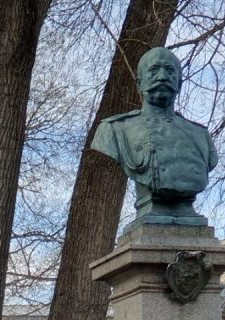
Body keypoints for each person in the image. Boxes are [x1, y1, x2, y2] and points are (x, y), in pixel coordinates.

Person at [91, 47, 217, 224]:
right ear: (139, 83)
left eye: (169, 70)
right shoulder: (115, 129)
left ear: (180, 83)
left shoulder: (201, 134)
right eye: (154, 70)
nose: (163, 76)